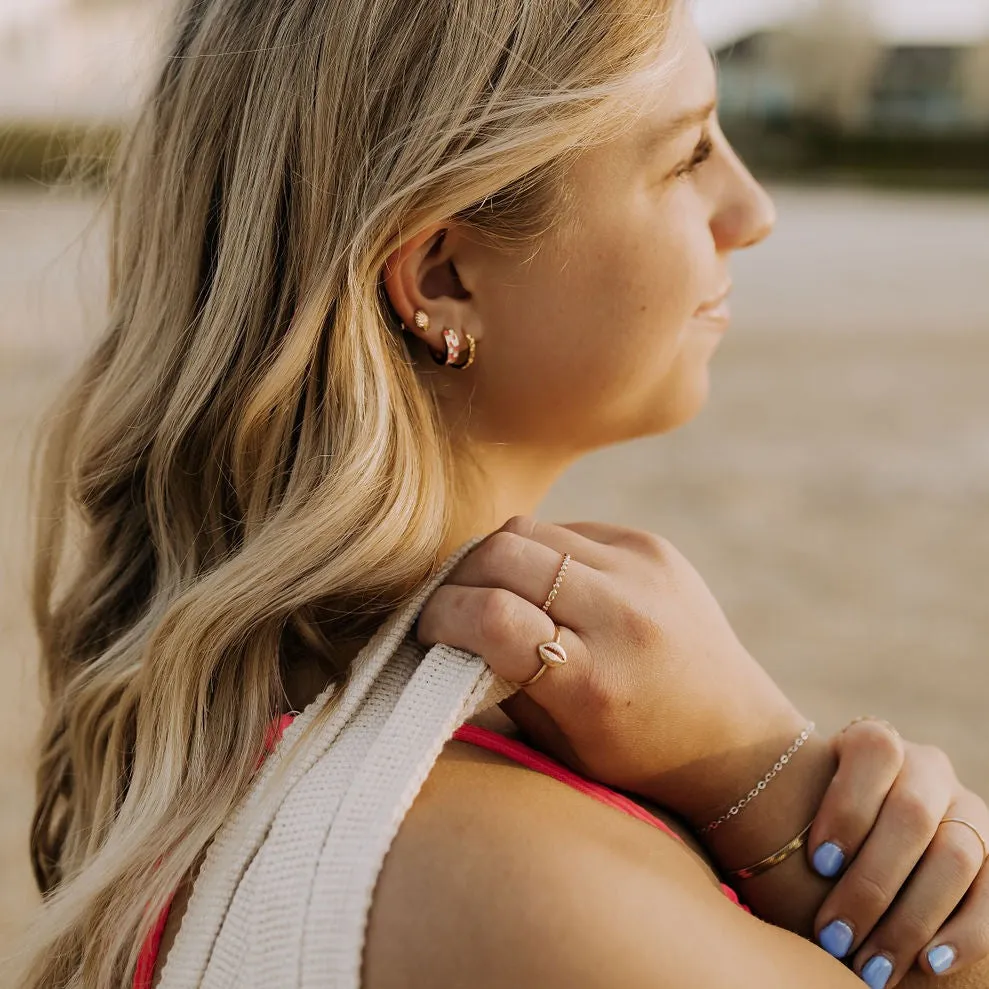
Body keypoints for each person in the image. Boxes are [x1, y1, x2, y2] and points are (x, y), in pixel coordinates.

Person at [15, 0, 987, 987]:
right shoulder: (524, 889)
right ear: (442, 276)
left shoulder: (224, 731)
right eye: (687, 155)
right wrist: (761, 780)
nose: (750, 210)